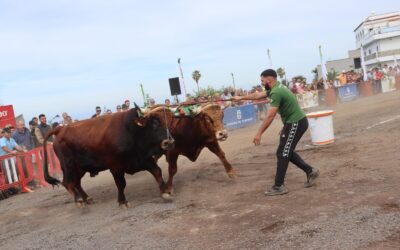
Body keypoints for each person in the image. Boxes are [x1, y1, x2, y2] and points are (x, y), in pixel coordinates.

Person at [232, 69, 319, 196]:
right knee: (285, 151)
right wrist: (240, 97)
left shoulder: (276, 92)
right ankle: (310, 171)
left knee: (283, 153)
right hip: (293, 123)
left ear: (269, 79)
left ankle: (279, 186)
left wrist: (259, 133)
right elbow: (257, 96)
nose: (261, 83)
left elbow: (270, 116)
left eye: (262, 80)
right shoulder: (276, 87)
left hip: (295, 123)